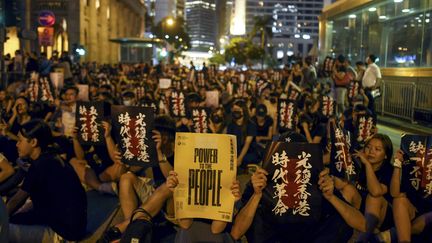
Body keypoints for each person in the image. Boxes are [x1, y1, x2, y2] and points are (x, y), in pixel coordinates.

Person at [6, 119, 87, 242]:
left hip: (63, 234)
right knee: (18, 216)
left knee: (6, 229)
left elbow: (17, 201)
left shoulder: (39, 166)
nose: (17, 145)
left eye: (20, 141)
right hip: (76, 226)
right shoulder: (53, 157)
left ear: (33, 142)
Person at [354, 134, 394, 242]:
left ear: (386, 155)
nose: (371, 151)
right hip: (361, 212)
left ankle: (363, 239)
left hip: (382, 216)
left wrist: (367, 165)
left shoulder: (389, 170)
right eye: (368, 147)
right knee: (348, 188)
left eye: (377, 149)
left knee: (374, 198)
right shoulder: (358, 163)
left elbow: (376, 192)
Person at [390, 149, 432, 242]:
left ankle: (391, 235)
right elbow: (394, 193)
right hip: (414, 209)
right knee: (399, 200)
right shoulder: (414, 163)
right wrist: (397, 164)